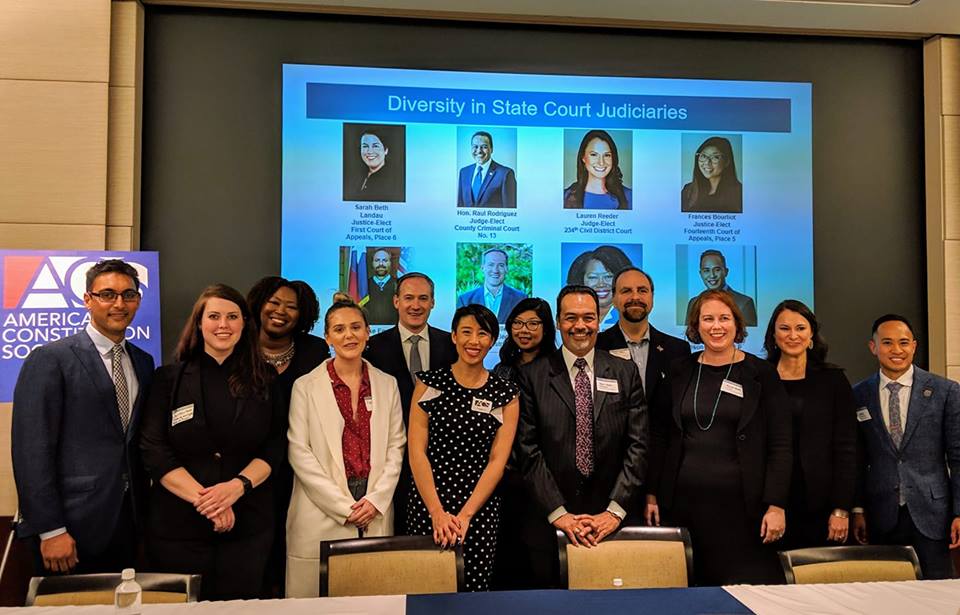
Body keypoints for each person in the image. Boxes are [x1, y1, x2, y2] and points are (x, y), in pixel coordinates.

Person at [12, 259, 155, 574]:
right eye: (108, 294)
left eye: (129, 295)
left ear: (138, 300)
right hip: (69, 528)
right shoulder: (50, 359)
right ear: (88, 299)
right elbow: (31, 450)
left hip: (127, 523)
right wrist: (50, 529)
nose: (119, 304)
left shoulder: (144, 362)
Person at [140, 284, 281, 600]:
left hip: (248, 526)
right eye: (214, 316)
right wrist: (208, 502)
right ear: (199, 323)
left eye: (232, 316)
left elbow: (274, 446)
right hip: (178, 528)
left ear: (244, 324)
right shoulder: (168, 379)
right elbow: (154, 450)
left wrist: (236, 488)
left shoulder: (266, 379)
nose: (223, 325)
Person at [646, 289, 791, 585]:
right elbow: (660, 436)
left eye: (724, 318)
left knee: (744, 590)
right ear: (696, 326)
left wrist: (776, 504)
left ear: (737, 324)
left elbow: (781, 444)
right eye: (708, 319)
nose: (716, 326)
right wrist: (651, 493)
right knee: (690, 591)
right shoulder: (679, 370)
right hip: (684, 507)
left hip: (744, 511)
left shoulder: (761, 373)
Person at [516, 285, 647, 588]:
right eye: (570, 317)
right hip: (549, 523)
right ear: (558, 322)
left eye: (588, 317)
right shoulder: (532, 376)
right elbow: (527, 450)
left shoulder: (625, 372)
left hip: (611, 522)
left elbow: (638, 446)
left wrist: (613, 512)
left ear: (599, 321)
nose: (580, 326)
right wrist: (559, 513)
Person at [285, 301, 406, 597]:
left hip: (373, 505)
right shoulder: (305, 386)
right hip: (322, 507)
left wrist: (376, 500)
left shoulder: (387, 384)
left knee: (371, 600)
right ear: (327, 337)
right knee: (317, 603)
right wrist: (344, 508)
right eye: (339, 329)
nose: (349, 335)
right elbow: (299, 453)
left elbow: (396, 446)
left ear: (367, 332)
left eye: (355, 327)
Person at [407, 304, 520, 591]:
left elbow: (498, 460)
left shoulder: (505, 394)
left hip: (478, 509)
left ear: (492, 340)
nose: (474, 341)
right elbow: (417, 451)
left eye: (482, 334)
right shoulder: (429, 383)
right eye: (466, 332)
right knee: (425, 590)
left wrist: (466, 515)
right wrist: (437, 512)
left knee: (474, 592)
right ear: (454, 336)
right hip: (429, 504)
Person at [851, 314, 960, 579]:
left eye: (903, 342)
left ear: (914, 346)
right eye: (887, 342)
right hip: (881, 515)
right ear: (873, 347)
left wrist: (959, 512)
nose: (896, 350)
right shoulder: (858, 394)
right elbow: (856, 459)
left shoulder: (945, 391)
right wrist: (858, 509)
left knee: (937, 592)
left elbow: (958, 458)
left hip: (933, 515)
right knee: (886, 593)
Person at [246, 275, 329, 596]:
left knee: (292, 551)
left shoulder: (315, 351)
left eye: (291, 307)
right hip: (250, 470)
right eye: (274, 302)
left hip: (301, 469)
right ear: (260, 304)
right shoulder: (239, 346)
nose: (281, 311)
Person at [364, 272, 458, 533]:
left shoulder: (451, 345)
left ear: (433, 303)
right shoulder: (372, 348)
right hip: (389, 458)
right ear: (396, 301)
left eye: (423, 298)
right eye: (408, 298)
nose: (415, 305)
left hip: (443, 459)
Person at [762, 300, 857, 550]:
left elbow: (847, 449)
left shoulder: (833, 380)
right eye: (784, 328)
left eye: (800, 328)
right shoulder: (759, 377)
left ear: (812, 333)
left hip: (821, 504)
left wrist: (841, 509)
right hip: (768, 502)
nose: (793, 335)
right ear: (773, 334)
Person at [490, 298, 556, 590]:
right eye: (517, 323)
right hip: (507, 477)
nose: (524, 330)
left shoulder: (557, 369)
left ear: (546, 327)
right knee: (508, 554)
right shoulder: (502, 370)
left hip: (545, 476)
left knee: (541, 559)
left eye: (532, 323)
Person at [596, 267, 691, 412]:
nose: (635, 297)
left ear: (652, 298)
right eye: (626, 291)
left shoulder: (678, 350)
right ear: (614, 299)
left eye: (642, 290)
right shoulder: (597, 346)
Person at [685, 249, 757, 326]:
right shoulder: (693, 303)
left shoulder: (744, 303)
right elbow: (688, 332)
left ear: (726, 272)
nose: (712, 275)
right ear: (701, 274)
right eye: (706, 271)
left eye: (717, 270)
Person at [563, 130, 632, 210]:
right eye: (594, 154)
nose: (601, 162)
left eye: (607, 155)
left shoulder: (629, 196)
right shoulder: (565, 196)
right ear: (583, 157)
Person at [566, 245, 632, 328]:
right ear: (581, 280)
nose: (601, 284)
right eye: (593, 277)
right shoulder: (569, 314)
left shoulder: (631, 315)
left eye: (608, 276)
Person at [457, 248, 527, 322]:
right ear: (482, 268)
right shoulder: (465, 300)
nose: (495, 270)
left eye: (501, 265)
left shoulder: (520, 299)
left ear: (506, 269)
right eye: (491, 265)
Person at [681, 136, 743, 214]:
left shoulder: (739, 193)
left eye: (715, 157)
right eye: (703, 156)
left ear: (727, 162)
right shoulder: (688, 190)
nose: (707, 162)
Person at [457, 131, 517, 208]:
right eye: (475, 146)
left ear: (491, 149)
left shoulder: (505, 174)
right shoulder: (464, 172)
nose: (479, 151)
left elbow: (510, 210)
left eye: (484, 147)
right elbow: (460, 206)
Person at [344, 127, 404, 202]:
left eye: (375, 146)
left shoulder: (395, 181)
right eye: (365, 146)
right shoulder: (354, 176)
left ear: (386, 150)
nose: (369, 151)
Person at [365, 249, 399, 325]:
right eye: (377, 260)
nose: (381, 264)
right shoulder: (364, 286)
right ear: (372, 263)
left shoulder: (399, 284)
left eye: (385, 260)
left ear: (390, 263)